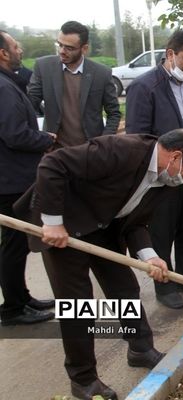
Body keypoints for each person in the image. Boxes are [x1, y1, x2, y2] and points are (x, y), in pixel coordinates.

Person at [14, 129, 183, 400]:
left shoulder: (163, 180)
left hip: (105, 225)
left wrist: (150, 256)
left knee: (124, 288)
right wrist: (53, 222)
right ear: (176, 157)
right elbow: (53, 163)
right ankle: (83, 379)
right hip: (65, 225)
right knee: (78, 305)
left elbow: (136, 222)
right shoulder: (122, 150)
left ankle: (140, 348)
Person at [126, 30, 183, 309]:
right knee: (162, 230)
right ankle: (166, 286)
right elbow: (137, 138)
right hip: (162, 176)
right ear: (170, 54)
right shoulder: (145, 87)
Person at [0, 30, 56, 326]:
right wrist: (44, 138)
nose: (20, 50)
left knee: (17, 244)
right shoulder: (3, 87)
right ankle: (12, 308)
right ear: (3, 53)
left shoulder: (10, 81)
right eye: (15, 46)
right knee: (14, 244)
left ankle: (22, 298)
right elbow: (14, 134)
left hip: (12, 178)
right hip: (11, 182)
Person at [28, 20, 120, 147]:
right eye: (59, 45)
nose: (62, 51)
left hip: (90, 151)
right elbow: (29, 105)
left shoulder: (101, 73)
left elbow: (114, 113)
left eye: (69, 48)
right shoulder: (43, 67)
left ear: (84, 48)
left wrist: (102, 143)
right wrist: (36, 136)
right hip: (54, 150)